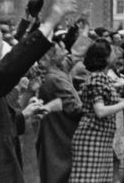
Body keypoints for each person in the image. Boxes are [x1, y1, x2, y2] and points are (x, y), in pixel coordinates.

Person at [0, 0, 76, 183]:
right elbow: (7, 69)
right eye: (1, 38)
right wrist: (51, 20)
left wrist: (24, 115)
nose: (5, 45)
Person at [69, 40, 124, 182]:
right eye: (112, 52)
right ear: (105, 57)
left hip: (101, 138)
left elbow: (108, 102)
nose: (116, 54)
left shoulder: (102, 77)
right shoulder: (97, 77)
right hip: (91, 138)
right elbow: (100, 111)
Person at [36, 42, 83, 183]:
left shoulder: (55, 74)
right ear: (52, 57)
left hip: (56, 129)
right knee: (59, 171)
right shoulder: (55, 78)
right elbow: (74, 108)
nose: (65, 50)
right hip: (61, 132)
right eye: (61, 49)